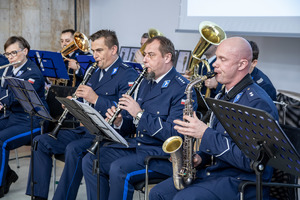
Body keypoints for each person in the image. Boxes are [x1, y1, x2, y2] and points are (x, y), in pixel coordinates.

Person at [149, 37, 279, 200]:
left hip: (242, 182)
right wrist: (200, 157)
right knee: (157, 193)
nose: (215, 64)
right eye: (217, 57)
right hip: (217, 172)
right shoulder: (225, 94)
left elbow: (249, 161)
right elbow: (222, 143)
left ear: (242, 64)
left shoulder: (257, 102)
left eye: (222, 59)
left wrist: (204, 133)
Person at [25, 29, 138, 200]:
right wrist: (74, 104)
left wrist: (95, 98)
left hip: (104, 135)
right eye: (93, 51)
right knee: (40, 142)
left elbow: (123, 113)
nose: (95, 55)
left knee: (73, 149)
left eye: (99, 51)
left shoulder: (127, 74)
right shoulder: (93, 70)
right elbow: (86, 103)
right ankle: (38, 197)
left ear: (113, 50)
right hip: (83, 128)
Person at [82, 36, 198, 200]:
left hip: (162, 156)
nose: (144, 60)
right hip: (138, 147)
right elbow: (133, 125)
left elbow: (175, 134)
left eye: (151, 55)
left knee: (119, 169)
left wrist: (139, 114)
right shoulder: (146, 82)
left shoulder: (182, 88)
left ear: (167, 57)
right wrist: (120, 121)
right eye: (145, 55)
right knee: (91, 159)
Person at [0, 36, 47, 198]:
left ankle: (0, 184)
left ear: (25, 51)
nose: (11, 57)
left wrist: (2, 100)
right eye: (7, 54)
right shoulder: (9, 69)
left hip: (32, 119)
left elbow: (17, 96)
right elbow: (3, 91)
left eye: (14, 53)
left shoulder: (33, 72)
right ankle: (7, 174)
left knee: (1, 141)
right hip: (13, 116)